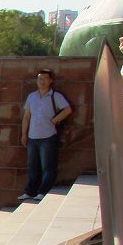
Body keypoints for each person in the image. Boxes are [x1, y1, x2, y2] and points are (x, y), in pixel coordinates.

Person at [20, 69, 72, 202]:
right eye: (39, 79)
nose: (41, 81)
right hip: (32, 136)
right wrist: (24, 134)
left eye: (44, 79)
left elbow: (67, 109)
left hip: (48, 136)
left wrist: (55, 120)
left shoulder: (55, 96)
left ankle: (43, 191)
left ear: (50, 81)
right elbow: (26, 117)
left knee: (47, 166)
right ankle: (30, 191)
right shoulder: (32, 96)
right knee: (32, 165)